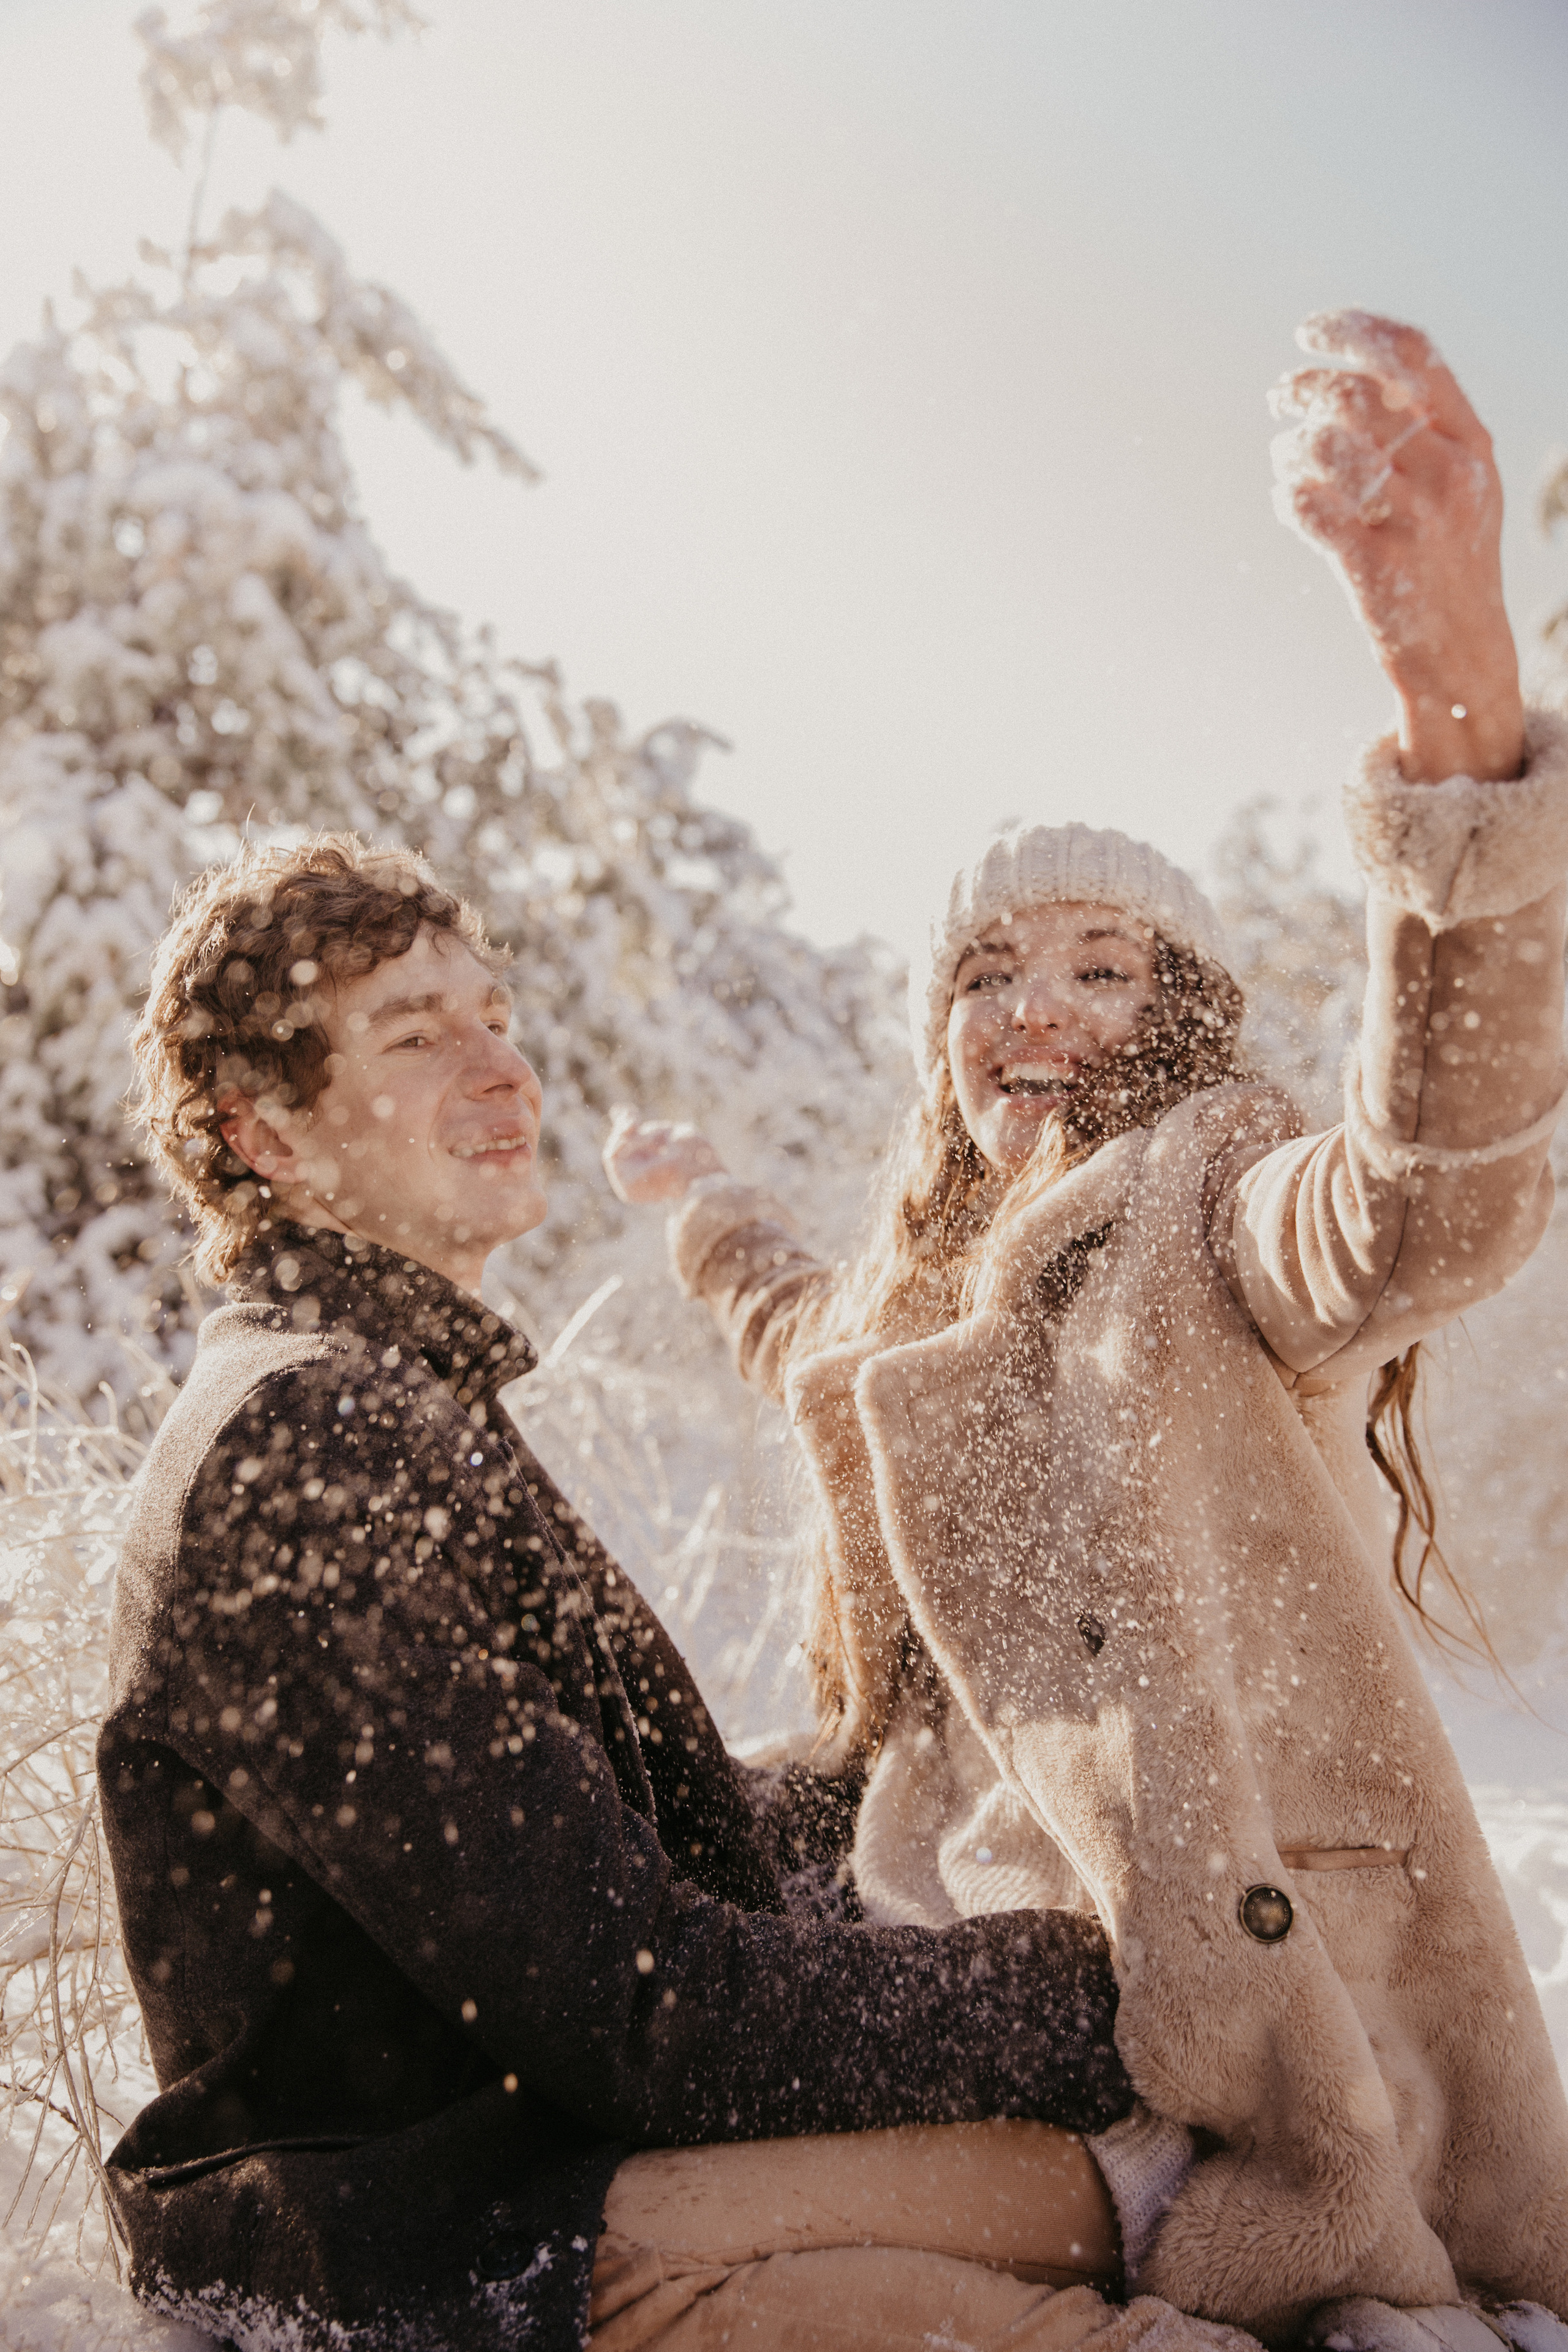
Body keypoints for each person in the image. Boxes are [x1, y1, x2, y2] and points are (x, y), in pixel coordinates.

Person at [605, 310, 1568, 2345]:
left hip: (1227, 2061)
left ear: (1189, 1023)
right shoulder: (916, 1310)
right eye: (990, 969)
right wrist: (703, 1213)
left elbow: (1421, 1201)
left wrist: (1457, 743)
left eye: (1104, 969)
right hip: (984, 1998)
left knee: (643, 2257)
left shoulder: (1213, 1208)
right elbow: (802, 1329)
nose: (1034, 1009)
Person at [97, 834, 1252, 2352]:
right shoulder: (306, 1441)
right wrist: (1094, 1992)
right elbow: (645, 2008)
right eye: (414, 1034)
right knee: (1141, 2216)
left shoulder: (391, 1396)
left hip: (527, 2175)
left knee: (1148, 2205)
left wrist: (953, 1792)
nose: (502, 1068)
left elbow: (636, 1834)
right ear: (270, 1140)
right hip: (436, 2238)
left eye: (493, 1014)